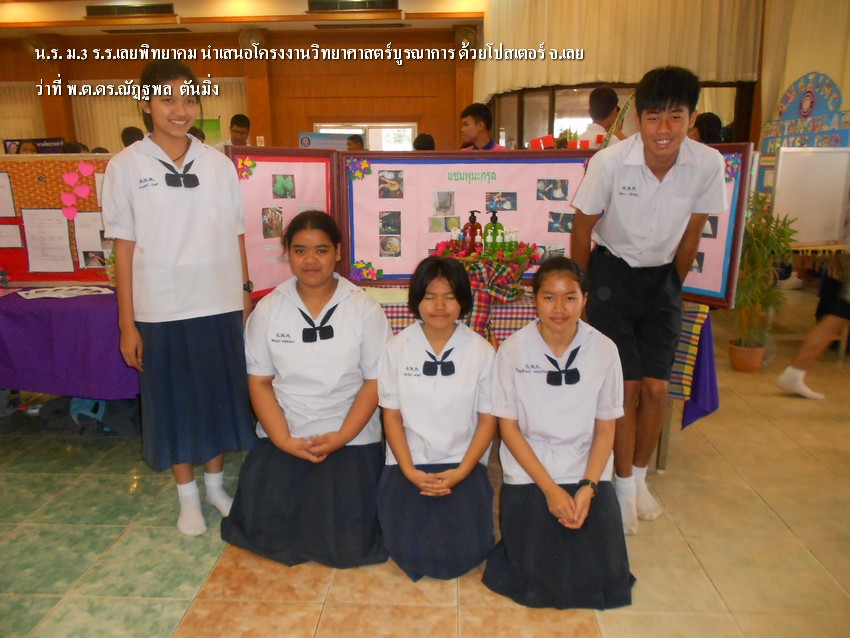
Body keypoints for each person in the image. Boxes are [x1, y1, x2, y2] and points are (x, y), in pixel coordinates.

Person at [570, 66, 727, 535]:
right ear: (638, 119)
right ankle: (620, 486)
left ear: (691, 119)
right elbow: (581, 229)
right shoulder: (610, 162)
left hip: (662, 280)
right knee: (627, 389)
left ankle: (639, 478)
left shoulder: (707, 164)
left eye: (675, 117)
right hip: (611, 276)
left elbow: (693, 233)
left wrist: (671, 285)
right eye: (654, 117)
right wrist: (581, 293)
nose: (664, 129)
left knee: (658, 389)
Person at [102, 60, 255, 537]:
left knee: (216, 400)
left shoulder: (219, 164)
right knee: (174, 405)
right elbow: (123, 248)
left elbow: (237, 234)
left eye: (189, 100)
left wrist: (244, 295)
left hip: (217, 303)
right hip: (161, 309)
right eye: (167, 99)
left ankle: (215, 488)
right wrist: (127, 324)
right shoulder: (125, 166)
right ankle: (187, 497)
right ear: (145, 104)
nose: (180, 110)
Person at [222, 210, 392, 568]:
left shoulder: (364, 308)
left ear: (338, 252)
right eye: (300, 251)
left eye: (321, 250)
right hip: (287, 428)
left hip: (349, 431)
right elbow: (259, 382)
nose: (310, 260)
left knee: (350, 544)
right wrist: (283, 439)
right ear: (288, 254)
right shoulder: (269, 309)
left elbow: (375, 382)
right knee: (270, 536)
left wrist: (342, 436)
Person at [481, 257, 632, 609]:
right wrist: (550, 490)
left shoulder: (604, 349)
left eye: (570, 297)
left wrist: (588, 487)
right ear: (534, 300)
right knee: (536, 578)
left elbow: (606, 426)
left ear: (585, 299)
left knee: (603, 578)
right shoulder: (513, 349)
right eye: (549, 297)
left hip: (585, 464)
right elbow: (508, 429)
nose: (559, 309)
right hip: (530, 469)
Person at [377, 256, 496, 581]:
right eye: (430, 296)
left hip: (462, 461)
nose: (440, 306)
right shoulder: (396, 348)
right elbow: (392, 416)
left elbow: (488, 420)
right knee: (407, 548)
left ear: (463, 302)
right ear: (417, 300)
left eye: (449, 297)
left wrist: (461, 472)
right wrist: (409, 470)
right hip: (409, 460)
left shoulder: (482, 352)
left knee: (465, 551)